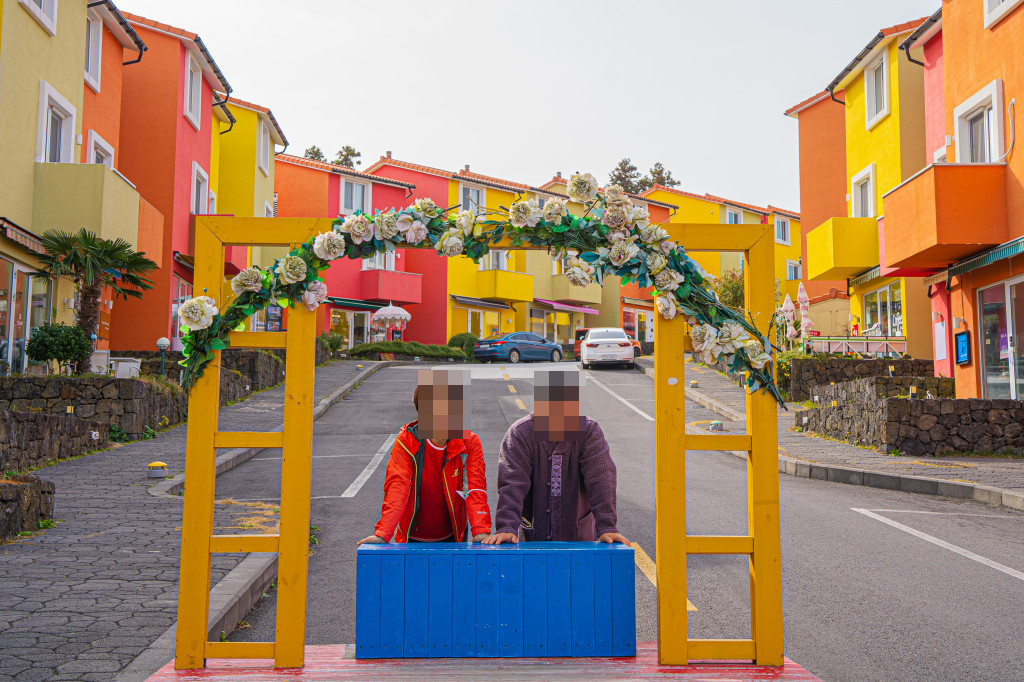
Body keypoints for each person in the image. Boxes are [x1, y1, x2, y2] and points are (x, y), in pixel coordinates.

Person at [484, 370, 629, 545]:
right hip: (533, 540)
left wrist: (607, 527)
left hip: (579, 539)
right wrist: (507, 527)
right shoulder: (520, 433)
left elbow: (602, 479)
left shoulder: (589, 431)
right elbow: (512, 483)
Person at [357, 369, 491, 545]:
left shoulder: (469, 442)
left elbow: (475, 489)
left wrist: (481, 531)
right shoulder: (406, 442)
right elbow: (397, 488)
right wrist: (383, 534)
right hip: (411, 537)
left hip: (453, 536)